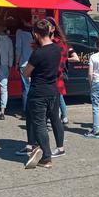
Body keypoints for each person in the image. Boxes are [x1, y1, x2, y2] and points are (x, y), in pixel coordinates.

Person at [22, 19, 62, 169]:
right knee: (47, 122)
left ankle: (46, 157)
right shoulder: (56, 49)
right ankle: (42, 150)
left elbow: (26, 73)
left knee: (39, 125)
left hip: (38, 92)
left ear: (36, 34)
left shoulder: (38, 53)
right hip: (52, 90)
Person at [46, 16, 79, 126]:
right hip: (54, 75)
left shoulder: (61, 43)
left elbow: (75, 58)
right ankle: (61, 116)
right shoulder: (50, 42)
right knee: (57, 96)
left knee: (57, 96)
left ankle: (60, 116)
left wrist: (64, 59)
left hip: (57, 74)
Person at [0, 21, 14, 120]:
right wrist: (10, 65)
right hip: (5, 65)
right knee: (4, 88)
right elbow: (11, 54)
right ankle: (2, 111)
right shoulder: (9, 40)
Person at [15, 15, 33, 116]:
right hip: (34, 63)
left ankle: (26, 111)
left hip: (24, 63)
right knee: (32, 87)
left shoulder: (20, 32)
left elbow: (18, 48)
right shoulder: (34, 31)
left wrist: (16, 63)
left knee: (26, 88)